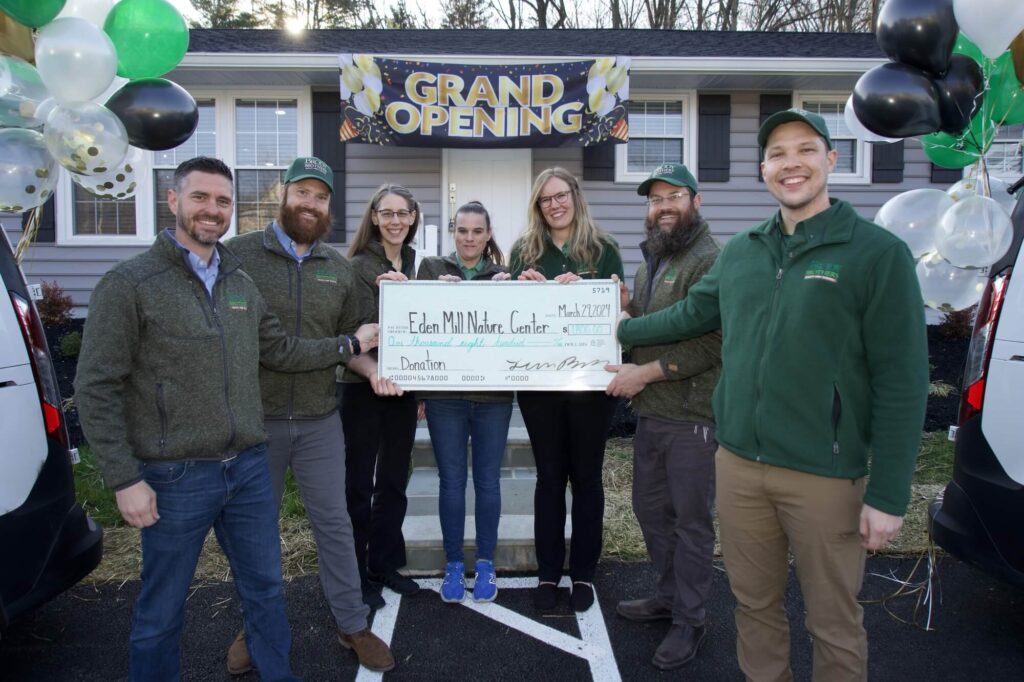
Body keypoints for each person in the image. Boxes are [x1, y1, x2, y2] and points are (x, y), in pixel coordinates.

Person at [617, 109, 929, 681]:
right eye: (779, 154)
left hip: (824, 475)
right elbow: (691, 314)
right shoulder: (745, 252)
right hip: (737, 466)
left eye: (806, 150)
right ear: (763, 170)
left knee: (832, 623)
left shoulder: (876, 254)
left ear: (831, 160)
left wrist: (887, 495)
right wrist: (610, 326)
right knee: (755, 609)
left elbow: (903, 381)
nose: (792, 164)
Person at [74, 156, 377, 681]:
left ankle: (302, 653)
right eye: (200, 198)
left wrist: (357, 352)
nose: (212, 211)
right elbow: (96, 386)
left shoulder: (245, 278)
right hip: (178, 470)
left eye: (222, 201)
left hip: (254, 457)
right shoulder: (139, 282)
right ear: (173, 200)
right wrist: (124, 478)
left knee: (270, 579)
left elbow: (281, 348)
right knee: (163, 608)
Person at [224, 157, 395, 674]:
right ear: (284, 193)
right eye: (303, 192)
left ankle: (352, 622)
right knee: (255, 530)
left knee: (335, 524)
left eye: (321, 197)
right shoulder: (237, 257)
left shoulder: (336, 270)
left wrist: (374, 374)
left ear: (329, 206)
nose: (311, 203)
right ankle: (254, 627)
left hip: (321, 419)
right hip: (257, 421)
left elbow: (352, 347)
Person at [605, 163, 722, 670]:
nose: (664, 206)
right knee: (653, 513)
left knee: (691, 523)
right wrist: (624, 307)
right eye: (655, 199)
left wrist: (644, 372)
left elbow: (712, 342)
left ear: (696, 202)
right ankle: (669, 597)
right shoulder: (649, 260)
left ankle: (690, 620)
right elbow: (643, 324)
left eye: (675, 195)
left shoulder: (711, 260)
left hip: (694, 416)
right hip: (653, 415)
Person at [510, 167, 624, 613]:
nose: (554, 205)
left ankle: (583, 573)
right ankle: (548, 572)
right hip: (540, 384)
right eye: (545, 200)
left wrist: (593, 291)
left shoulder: (603, 248)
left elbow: (621, 305)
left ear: (575, 196)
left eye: (561, 196)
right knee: (549, 479)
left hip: (589, 385)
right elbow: (511, 320)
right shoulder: (525, 250)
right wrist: (524, 290)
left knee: (588, 479)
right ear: (538, 207)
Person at [415, 201, 514, 604]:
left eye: (478, 231)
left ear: (488, 234)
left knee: (488, 480)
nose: (470, 238)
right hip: (445, 395)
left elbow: (520, 330)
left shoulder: (502, 276)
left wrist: (514, 295)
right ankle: (455, 562)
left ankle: (486, 561)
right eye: (462, 230)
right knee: (452, 480)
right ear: (453, 232)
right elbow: (417, 325)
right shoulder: (432, 270)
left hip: (493, 395)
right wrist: (418, 389)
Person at [342, 184, 422, 609]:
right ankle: (355, 574)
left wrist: (419, 387)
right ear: (374, 217)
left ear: (413, 218)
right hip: (361, 388)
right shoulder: (356, 267)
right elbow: (350, 332)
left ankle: (384, 563)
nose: (395, 221)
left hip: (402, 389)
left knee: (394, 481)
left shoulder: (413, 262)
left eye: (402, 213)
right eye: (386, 213)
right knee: (359, 484)